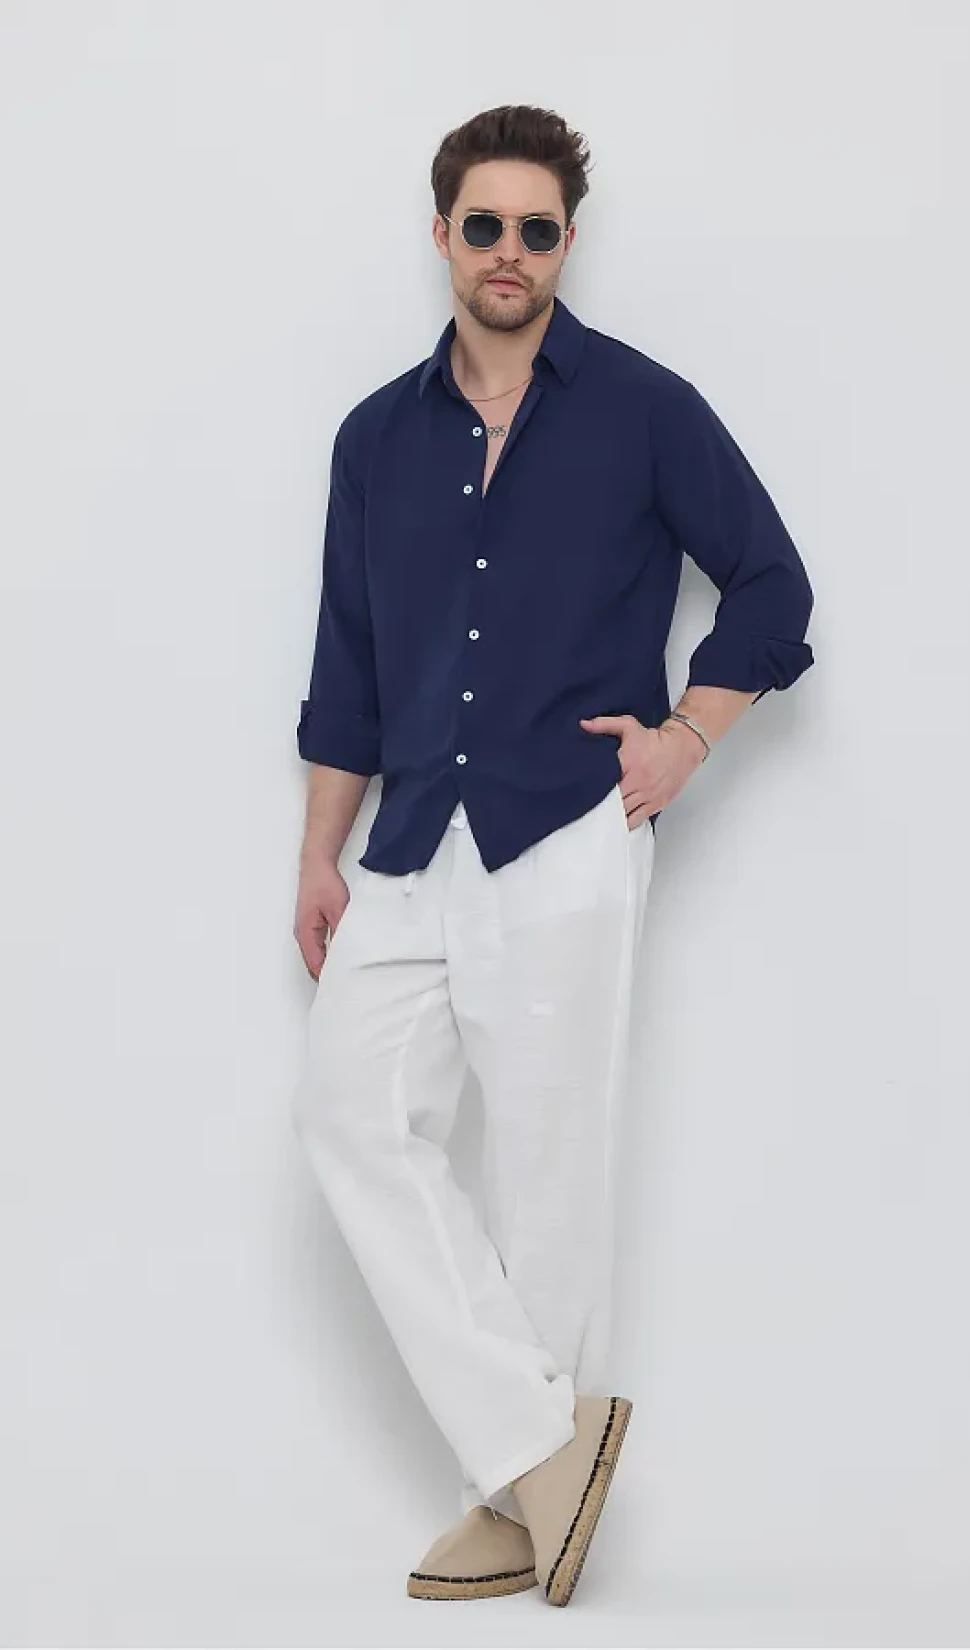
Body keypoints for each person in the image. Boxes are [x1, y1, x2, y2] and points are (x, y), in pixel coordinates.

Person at [290, 103, 815, 1608]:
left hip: (569, 823)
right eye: (484, 225)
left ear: (567, 243)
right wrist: (320, 854)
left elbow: (773, 587)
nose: (508, 250)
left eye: (536, 228)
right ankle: (544, 1449)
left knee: (546, 1164)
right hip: (408, 834)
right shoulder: (375, 438)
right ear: (442, 234)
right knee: (348, 1113)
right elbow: (347, 667)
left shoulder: (644, 408)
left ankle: (513, 1498)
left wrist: (687, 738)